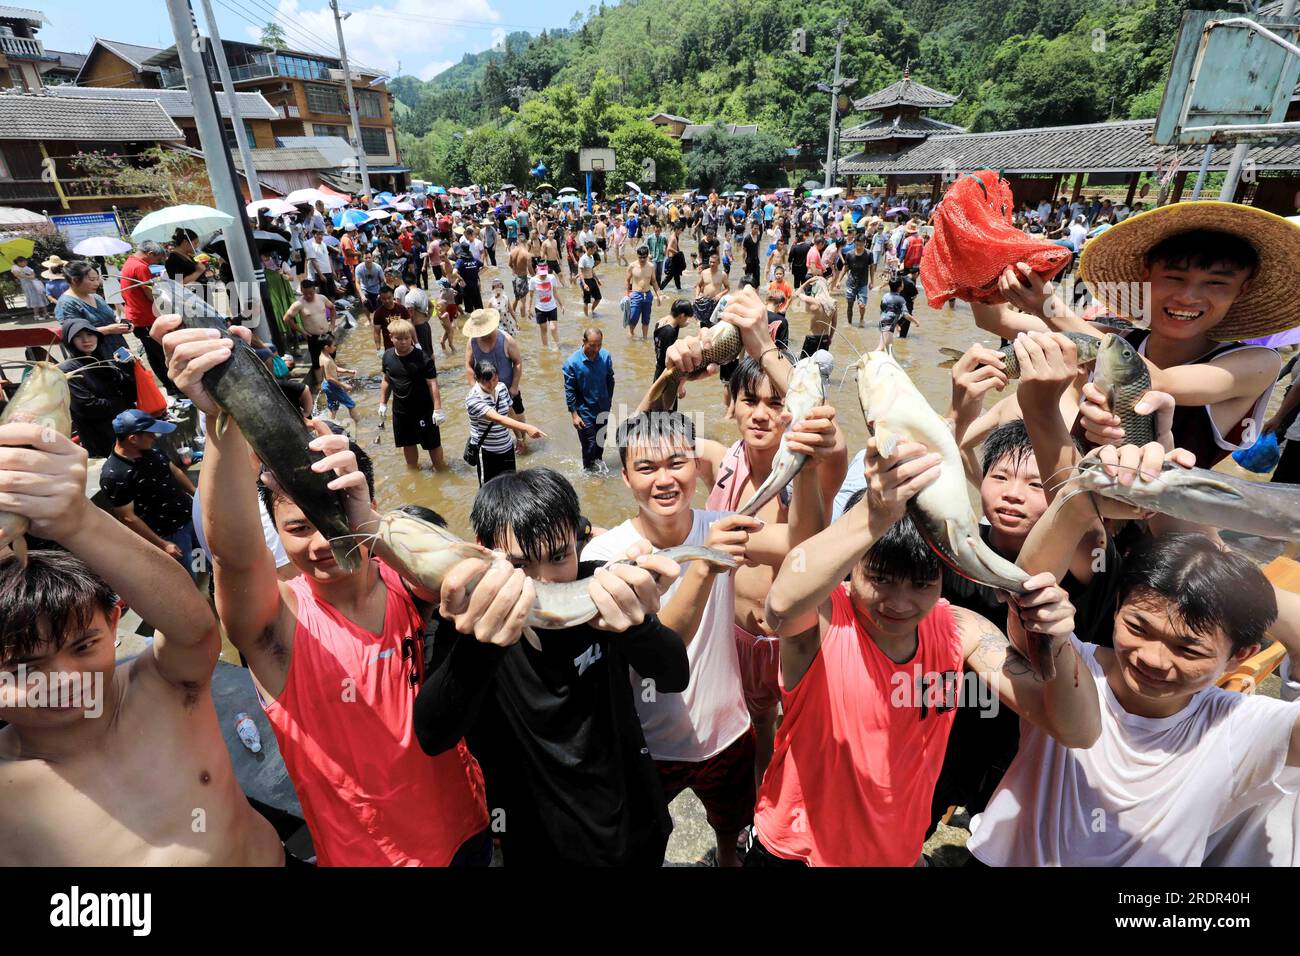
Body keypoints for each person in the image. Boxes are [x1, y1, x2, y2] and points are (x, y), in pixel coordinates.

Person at [153, 314, 497, 866]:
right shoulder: (277, 624)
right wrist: (225, 420)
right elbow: (233, 559)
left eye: (333, 514)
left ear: (367, 505)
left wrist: (372, 526)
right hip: (370, 856)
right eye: (297, 527)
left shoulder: (409, 581)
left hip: (469, 823)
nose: (321, 541)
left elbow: (488, 575)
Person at [749, 438, 1098, 867]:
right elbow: (782, 605)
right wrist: (873, 511)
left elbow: (1077, 731)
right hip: (794, 852)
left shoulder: (957, 629)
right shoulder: (825, 620)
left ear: (943, 575)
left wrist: (1057, 641)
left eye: (920, 584)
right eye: (879, 578)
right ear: (851, 566)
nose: (899, 603)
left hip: (895, 854)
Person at [0, 422, 284, 866]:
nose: (64, 679)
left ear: (115, 623)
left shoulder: (163, 687)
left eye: (83, 647)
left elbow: (193, 627)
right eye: (28, 667)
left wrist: (76, 519)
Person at [969, 508, 1300, 865]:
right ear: (1116, 607)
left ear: (1240, 655)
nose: (1153, 659)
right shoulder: (1067, 661)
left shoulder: (1242, 729)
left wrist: (1221, 561)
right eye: (1138, 628)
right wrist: (1080, 495)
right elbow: (1027, 585)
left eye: (1187, 649)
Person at [582, 405, 834, 866]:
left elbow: (803, 545)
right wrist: (703, 562)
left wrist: (809, 470)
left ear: (696, 468)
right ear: (624, 477)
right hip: (647, 741)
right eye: (646, 467)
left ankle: (726, 856)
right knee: (641, 842)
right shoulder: (607, 554)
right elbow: (664, 654)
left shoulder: (720, 529)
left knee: (730, 825)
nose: (664, 479)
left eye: (677, 463)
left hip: (727, 730)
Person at [414, 469, 687, 865]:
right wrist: (481, 645)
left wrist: (639, 626)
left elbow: (674, 676)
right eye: (521, 565)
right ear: (483, 551)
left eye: (559, 557)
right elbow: (432, 735)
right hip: (538, 839)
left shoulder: (600, 588)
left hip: (633, 821)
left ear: (579, 540)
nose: (545, 581)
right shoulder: (463, 623)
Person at [976, 202, 1292, 467]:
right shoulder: (1117, 336)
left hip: (1157, 533)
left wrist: (1050, 307)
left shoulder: (1256, 362)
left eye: (1216, 283)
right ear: (1146, 277)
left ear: (1242, 290)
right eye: (1174, 277)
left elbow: (1149, 380)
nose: (1188, 296)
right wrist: (980, 262)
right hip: (1070, 509)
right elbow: (1000, 322)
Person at [99, 409, 198, 577]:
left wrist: (197, 496)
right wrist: (162, 544)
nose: (155, 437)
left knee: (205, 563)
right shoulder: (114, 475)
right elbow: (128, 517)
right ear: (133, 438)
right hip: (169, 535)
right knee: (187, 577)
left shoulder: (152, 451)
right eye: (150, 434)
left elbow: (174, 472)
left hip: (191, 519)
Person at [58, 318, 136, 459]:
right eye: (78, 336)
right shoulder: (67, 370)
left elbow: (132, 394)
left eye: (90, 334)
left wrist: (129, 368)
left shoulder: (102, 361)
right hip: (101, 437)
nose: (86, 340)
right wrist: (120, 401)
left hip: (126, 430)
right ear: (70, 342)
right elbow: (88, 407)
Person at [379, 319, 445, 470]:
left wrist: (438, 409)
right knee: (407, 443)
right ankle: (414, 472)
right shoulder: (387, 356)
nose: (404, 342)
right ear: (391, 338)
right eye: (399, 339)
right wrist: (382, 403)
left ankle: (441, 470)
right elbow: (386, 381)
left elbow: (432, 384)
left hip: (424, 410)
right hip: (401, 411)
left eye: (407, 338)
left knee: (432, 444)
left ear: (411, 337)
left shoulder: (423, 358)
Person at [465, 359, 544, 485]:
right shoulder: (473, 399)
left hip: (507, 448)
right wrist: (527, 428)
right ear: (478, 379)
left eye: (494, 379)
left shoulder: (501, 388)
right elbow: (498, 419)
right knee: (488, 491)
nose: (492, 385)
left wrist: (519, 438)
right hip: (487, 452)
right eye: (487, 382)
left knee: (510, 487)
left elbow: (510, 413)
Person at [463, 307, 527, 440]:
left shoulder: (506, 339)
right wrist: (474, 387)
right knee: (492, 427)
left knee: (519, 420)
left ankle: (522, 444)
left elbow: (518, 363)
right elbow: (469, 366)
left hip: (509, 389)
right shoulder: (472, 342)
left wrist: (514, 386)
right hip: (485, 391)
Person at [563, 328, 616, 472]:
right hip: (584, 411)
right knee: (589, 445)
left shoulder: (605, 357)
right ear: (584, 342)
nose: (596, 349)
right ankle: (589, 473)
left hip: (603, 407)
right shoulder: (572, 363)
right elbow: (570, 390)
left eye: (599, 345)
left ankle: (598, 466)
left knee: (600, 442)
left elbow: (610, 380)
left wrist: (609, 401)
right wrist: (574, 414)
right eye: (592, 345)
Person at [53, 260, 131, 355]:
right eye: (92, 280)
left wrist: (122, 326)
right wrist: (109, 329)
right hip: (96, 355)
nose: (97, 283)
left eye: (97, 279)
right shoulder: (67, 304)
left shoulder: (96, 297)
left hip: (119, 349)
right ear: (74, 280)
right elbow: (75, 334)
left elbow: (112, 319)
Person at [283, 279, 334, 393]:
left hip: (326, 333)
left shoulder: (321, 298)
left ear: (314, 290)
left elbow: (332, 307)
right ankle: (320, 384)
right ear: (301, 291)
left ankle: (332, 379)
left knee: (331, 357)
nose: (308, 295)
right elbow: (286, 318)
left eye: (311, 293)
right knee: (316, 360)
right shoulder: (299, 304)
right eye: (305, 293)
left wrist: (333, 324)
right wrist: (302, 331)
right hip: (313, 336)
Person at [652, 299, 693, 411]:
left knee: (657, 408)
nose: (686, 320)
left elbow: (681, 323)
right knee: (668, 411)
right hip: (667, 376)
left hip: (658, 371)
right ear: (681, 315)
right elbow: (672, 364)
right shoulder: (670, 333)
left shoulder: (661, 322)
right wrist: (680, 387)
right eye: (686, 317)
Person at [318, 334, 360, 428]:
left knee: (333, 406)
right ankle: (357, 424)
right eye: (333, 345)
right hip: (332, 386)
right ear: (326, 347)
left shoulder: (323, 356)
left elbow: (335, 368)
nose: (335, 347)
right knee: (351, 404)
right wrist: (344, 385)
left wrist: (348, 371)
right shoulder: (327, 360)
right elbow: (329, 378)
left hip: (326, 385)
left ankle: (330, 424)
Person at [838, 232, 874, 326]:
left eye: (861, 245)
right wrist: (839, 280)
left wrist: (872, 282)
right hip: (851, 283)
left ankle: (861, 319)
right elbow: (845, 268)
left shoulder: (869, 254)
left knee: (862, 305)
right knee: (850, 305)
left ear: (865, 243)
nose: (859, 247)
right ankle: (849, 323)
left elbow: (872, 268)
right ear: (855, 243)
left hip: (863, 284)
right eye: (857, 245)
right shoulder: (849, 254)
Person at [625, 243, 660, 338]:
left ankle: (645, 338)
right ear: (637, 256)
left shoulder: (651, 266)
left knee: (646, 319)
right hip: (635, 294)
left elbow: (654, 281)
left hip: (648, 295)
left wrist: (658, 295)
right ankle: (631, 333)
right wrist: (627, 295)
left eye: (644, 257)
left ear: (647, 256)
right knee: (633, 317)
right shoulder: (632, 266)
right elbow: (627, 281)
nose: (642, 259)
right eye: (640, 257)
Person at [527, 262, 564, 351]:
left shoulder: (552, 278)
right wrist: (528, 309)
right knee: (543, 330)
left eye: (545, 273)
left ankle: (558, 347)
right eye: (541, 273)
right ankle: (546, 349)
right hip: (540, 308)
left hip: (552, 307)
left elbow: (555, 293)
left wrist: (561, 305)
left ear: (547, 270)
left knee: (553, 328)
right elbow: (531, 295)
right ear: (537, 271)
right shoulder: (533, 280)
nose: (543, 276)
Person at [694, 251, 730, 329]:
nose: (711, 264)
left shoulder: (723, 274)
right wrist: (697, 296)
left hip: (715, 302)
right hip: (704, 301)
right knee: (702, 325)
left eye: (714, 262)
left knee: (714, 325)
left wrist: (720, 295)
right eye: (710, 262)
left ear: (718, 263)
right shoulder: (704, 273)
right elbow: (698, 286)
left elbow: (727, 288)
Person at [370, 285, 409, 353]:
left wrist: (416, 342)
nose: (387, 301)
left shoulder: (402, 308)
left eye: (389, 298)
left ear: (393, 296)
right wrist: (378, 349)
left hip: (405, 344)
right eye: (384, 299)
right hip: (390, 347)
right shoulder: (378, 313)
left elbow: (410, 327)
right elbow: (376, 333)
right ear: (380, 299)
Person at [877, 277, 911, 352]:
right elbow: (906, 315)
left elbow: (884, 311)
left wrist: (896, 325)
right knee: (881, 348)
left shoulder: (885, 296)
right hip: (888, 325)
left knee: (888, 347)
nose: (903, 284)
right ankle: (866, 360)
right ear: (900, 287)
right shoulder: (901, 299)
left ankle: (887, 359)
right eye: (902, 283)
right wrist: (916, 321)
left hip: (884, 323)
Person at [450, 241, 484, 313]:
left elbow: (454, 272)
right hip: (475, 287)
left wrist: (461, 279)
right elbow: (485, 267)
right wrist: (477, 274)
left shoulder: (460, 261)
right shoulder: (474, 260)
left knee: (469, 311)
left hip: (466, 288)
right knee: (479, 309)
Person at [303, 229, 336, 299]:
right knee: (324, 294)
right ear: (314, 235)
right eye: (318, 234)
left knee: (332, 292)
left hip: (329, 271)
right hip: (321, 273)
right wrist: (320, 274)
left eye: (321, 234)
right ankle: (326, 310)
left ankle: (333, 308)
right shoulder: (311, 246)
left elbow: (328, 258)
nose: (320, 236)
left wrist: (333, 271)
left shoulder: (323, 244)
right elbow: (313, 261)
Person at [578, 240, 603, 317]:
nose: (595, 250)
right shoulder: (583, 259)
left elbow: (591, 270)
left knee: (598, 298)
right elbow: (580, 272)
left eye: (595, 249)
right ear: (589, 249)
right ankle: (586, 317)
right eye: (593, 249)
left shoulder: (591, 257)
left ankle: (592, 310)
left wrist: (597, 280)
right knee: (586, 301)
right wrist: (584, 284)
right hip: (585, 281)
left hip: (592, 279)